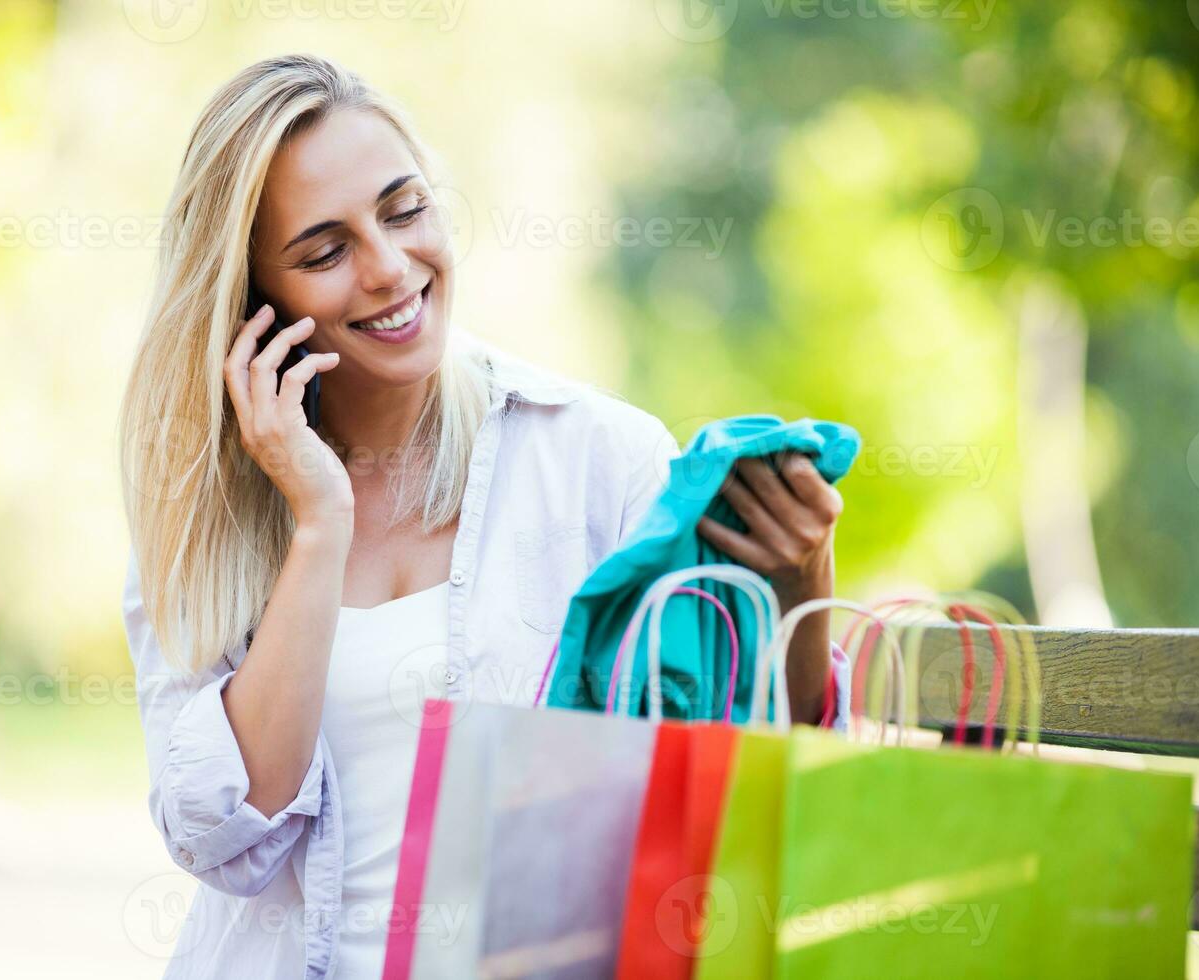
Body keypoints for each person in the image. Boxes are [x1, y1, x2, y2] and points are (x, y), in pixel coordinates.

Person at [118, 53, 847, 979]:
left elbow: (750, 771)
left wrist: (802, 576)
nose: (389, 269)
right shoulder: (203, 518)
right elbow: (222, 835)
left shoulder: (600, 459)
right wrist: (318, 523)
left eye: (405, 208)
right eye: (325, 251)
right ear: (258, 301)